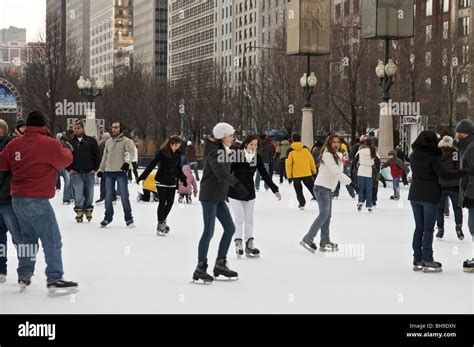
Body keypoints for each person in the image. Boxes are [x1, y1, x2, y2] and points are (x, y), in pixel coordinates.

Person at [0, 111, 78, 294]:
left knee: (28, 239)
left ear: (27, 126)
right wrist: (65, 149)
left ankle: (24, 275)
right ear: (43, 126)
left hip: (17, 199)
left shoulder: (14, 143)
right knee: (51, 239)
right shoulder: (49, 143)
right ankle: (55, 278)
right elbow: (65, 160)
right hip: (37, 200)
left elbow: (2, 163)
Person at [408, 131, 472, 273]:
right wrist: (464, 172)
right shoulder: (433, 156)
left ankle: (417, 259)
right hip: (430, 195)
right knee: (428, 229)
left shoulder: (413, 155)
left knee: (419, 227)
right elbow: (444, 174)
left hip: (415, 194)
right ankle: (428, 259)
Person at [192, 123, 248, 283]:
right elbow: (221, 173)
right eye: (231, 135)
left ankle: (220, 264)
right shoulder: (214, 152)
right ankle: (200, 267)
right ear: (223, 136)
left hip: (219, 197)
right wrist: (237, 184)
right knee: (208, 231)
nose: (233, 138)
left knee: (230, 228)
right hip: (209, 196)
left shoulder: (224, 150)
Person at [300, 134, 356, 253]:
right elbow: (336, 172)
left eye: (338, 142)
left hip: (328, 188)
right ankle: (308, 238)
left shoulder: (337, 155)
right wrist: (351, 183)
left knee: (327, 216)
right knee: (324, 215)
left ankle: (325, 241)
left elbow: (339, 172)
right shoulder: (327, 155)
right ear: (329, 144)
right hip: (321, 188)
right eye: (333, 142)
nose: (336, 144)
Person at [228, 135, 281, 258]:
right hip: (235, 192)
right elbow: (228, 173)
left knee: (249, 219)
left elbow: (264, 174)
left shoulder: (257, 157)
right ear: (245, 144)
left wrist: (274, 189)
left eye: (256, 145)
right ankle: (238, 242)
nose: (253, 147)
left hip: (249, 192)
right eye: (251, 144)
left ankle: (249, 243)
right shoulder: (237, 156)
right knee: (240, 218)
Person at [0, 119, 36, 286]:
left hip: (9, 199)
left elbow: (15, 171)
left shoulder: (13, 146)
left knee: (18, 236)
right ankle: (1, 269)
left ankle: (25, 271)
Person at [137, 135, 187, 235]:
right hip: (161, 181)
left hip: (172, 181)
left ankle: (162, 221)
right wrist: (143, 176)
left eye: (178, 146)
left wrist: (183, 179)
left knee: (170, 202)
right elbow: (152, 164)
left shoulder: (178, 153)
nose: (177, 148)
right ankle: (160, 224)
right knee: (162, 201)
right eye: (176, 146)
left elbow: (178, 168)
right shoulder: (162, 152)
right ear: (170, 144)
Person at [98, 121, 135, 228]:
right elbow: (105, 157)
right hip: (109, 172)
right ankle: (107, 217)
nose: (114, 129)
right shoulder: (108, 141)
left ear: (120, 128)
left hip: (120, 172)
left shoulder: (126, 141)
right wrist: (101, 169)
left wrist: (127, 163)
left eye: (116, 127)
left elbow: (131, 153)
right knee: (108, 196)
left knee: (124, 196)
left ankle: (129, 218)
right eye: (113, 127)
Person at [67, 121, 100, 223]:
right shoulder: (70, 143)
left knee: (89, 192)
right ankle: (79, 210)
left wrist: (95, 168)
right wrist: (69, 169)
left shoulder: (91, 141)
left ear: (83, 129)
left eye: (78, 128)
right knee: (78, 192)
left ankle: (88, 210)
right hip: (75, 172)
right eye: (75, 128)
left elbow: (97, 155)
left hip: (89, 172)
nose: (76, 130)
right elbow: (64, 157)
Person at [435, 136, 464, 240]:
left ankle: (440, 229)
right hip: (454, 185)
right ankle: (459, 227)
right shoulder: (455, 153)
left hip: (441, 184)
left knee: (440, 209)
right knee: (457, 208)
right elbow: (458, 167)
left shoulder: (437, 154)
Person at [454, 119, 474, 273]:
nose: (456, 135)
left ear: (463, 133)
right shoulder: (467, 146)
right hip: (470, 194)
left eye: (458, 132)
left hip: (472, 195)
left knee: (473, 226)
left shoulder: (471, 147)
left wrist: (469, 195)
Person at [286, 133, 317, 210]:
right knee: (312, 187)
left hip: (296, 174)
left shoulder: (290, 150)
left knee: (298, 189)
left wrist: (289, 176)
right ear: (300, 139)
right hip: (307, 172)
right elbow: (311, 160)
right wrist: (314, 170)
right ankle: (319, 199)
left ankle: (302, 203)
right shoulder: (306, 149)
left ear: (293, 140)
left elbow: (288, 164)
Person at [354, 138, 378, 212]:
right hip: (369, 171)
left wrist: (356, 169)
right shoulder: (374, 151)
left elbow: (355, 160)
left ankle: (360, 201)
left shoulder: (360, 150)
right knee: (369, 189)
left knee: (361, 188)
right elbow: (377, 161)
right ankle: (369, 205)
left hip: (361, 170)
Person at [96, 132, 115, 204]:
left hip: (105, 166)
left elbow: (99, 154)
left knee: (103, 182)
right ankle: (113, 197)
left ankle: (103, 196)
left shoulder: (103, 145)